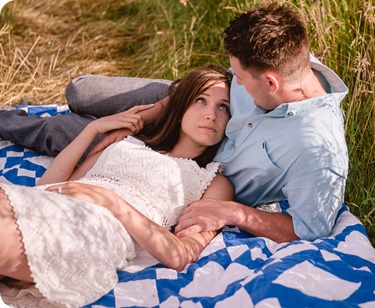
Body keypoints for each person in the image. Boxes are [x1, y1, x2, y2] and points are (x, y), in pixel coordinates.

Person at [0, 3, 348, 243]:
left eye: (241, 78)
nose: (237, 81)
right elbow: (222, 83)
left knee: (58, 132)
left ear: (271, 83)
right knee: (80, 91)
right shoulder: (284, 56)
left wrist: (235, 213)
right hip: (187, 102)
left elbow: (308, 229)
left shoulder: (317, 151)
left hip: (189, 156)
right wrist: (145, 117)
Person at [0, 66, 234, 307]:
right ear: (180, 107)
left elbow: (181, 255)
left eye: (223, 106)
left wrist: (113, 203)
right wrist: (94, 129)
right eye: (200, 100)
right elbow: (50, 186)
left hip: (94, 230)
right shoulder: (125, 143)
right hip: (49, 205)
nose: (211, 114)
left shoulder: (214, 181)